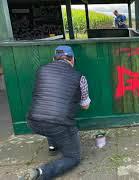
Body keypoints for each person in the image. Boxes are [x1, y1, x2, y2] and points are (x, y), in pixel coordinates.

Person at [22, 46, 91, 180]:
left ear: (53, 59)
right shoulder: (79, 77)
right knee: (73, 157)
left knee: (49, 111)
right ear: (72, 60)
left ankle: (53, 146)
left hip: (33, 122)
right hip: (58, 125)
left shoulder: (41, 70)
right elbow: (85, 106)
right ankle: (41, 173)